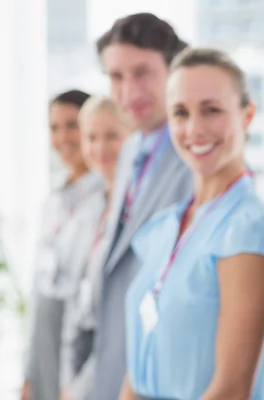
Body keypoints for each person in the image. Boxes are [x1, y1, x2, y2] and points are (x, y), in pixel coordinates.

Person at [119, 47, 264, 400]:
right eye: (180, 113)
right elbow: (137, 371)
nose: (194, 129)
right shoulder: (164, 226)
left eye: (211, 110)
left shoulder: (249, 230)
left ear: (247, 115)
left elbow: (230, 390)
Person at [92, 13, 193, 400]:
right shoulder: (131, 147)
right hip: (113, 366)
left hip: (156, 380)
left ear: (173, 70)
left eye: (142, 73)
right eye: (115, 77)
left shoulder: (195, 155)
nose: (128, 91)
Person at [22, 90, 106, 400]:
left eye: (72, 125)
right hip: (45, 336)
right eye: (54, 127)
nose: (62, 137)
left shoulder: (105, 198)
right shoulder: (53, 201)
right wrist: (28, 373)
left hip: (76, 342)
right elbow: (38, 287)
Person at [60, 95, 131, 400]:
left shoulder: (136, 211)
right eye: (91, 137)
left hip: (113, 370)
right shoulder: (91, 207)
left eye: (112, 136)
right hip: (80, 362)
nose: (100, 148)